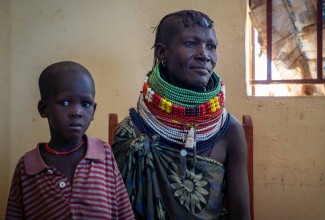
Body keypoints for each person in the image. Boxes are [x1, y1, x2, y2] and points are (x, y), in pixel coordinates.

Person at [112, 10, 250, 219]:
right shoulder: (132, 131)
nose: (204, 54)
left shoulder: (229, 131)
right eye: (190, 43)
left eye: (211, 46)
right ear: (162, 53)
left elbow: (241, 216)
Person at [6, 61, 134, 219]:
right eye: (64, 102)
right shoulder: (27, 167)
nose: (77, 112)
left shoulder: (104, 154)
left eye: (85, 104)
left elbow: (125, 214)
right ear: (43, 109)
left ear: (93, 111)